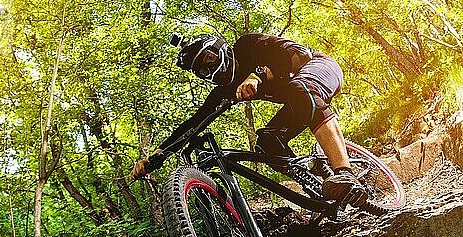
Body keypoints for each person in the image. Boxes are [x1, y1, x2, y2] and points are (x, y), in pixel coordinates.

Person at [131, 33, 367, 206]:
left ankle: (344, 171)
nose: (210, 69)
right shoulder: (224, 91)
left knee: (299, 88)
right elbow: (193, 124)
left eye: (210, 59)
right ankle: (321, 180)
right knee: (266, 143)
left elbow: (298, 55)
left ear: (220, 48)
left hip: (320, 68)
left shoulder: (248, 45)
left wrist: (258, 75)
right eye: (202, 70)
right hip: (298, 99)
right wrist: (155, 157)